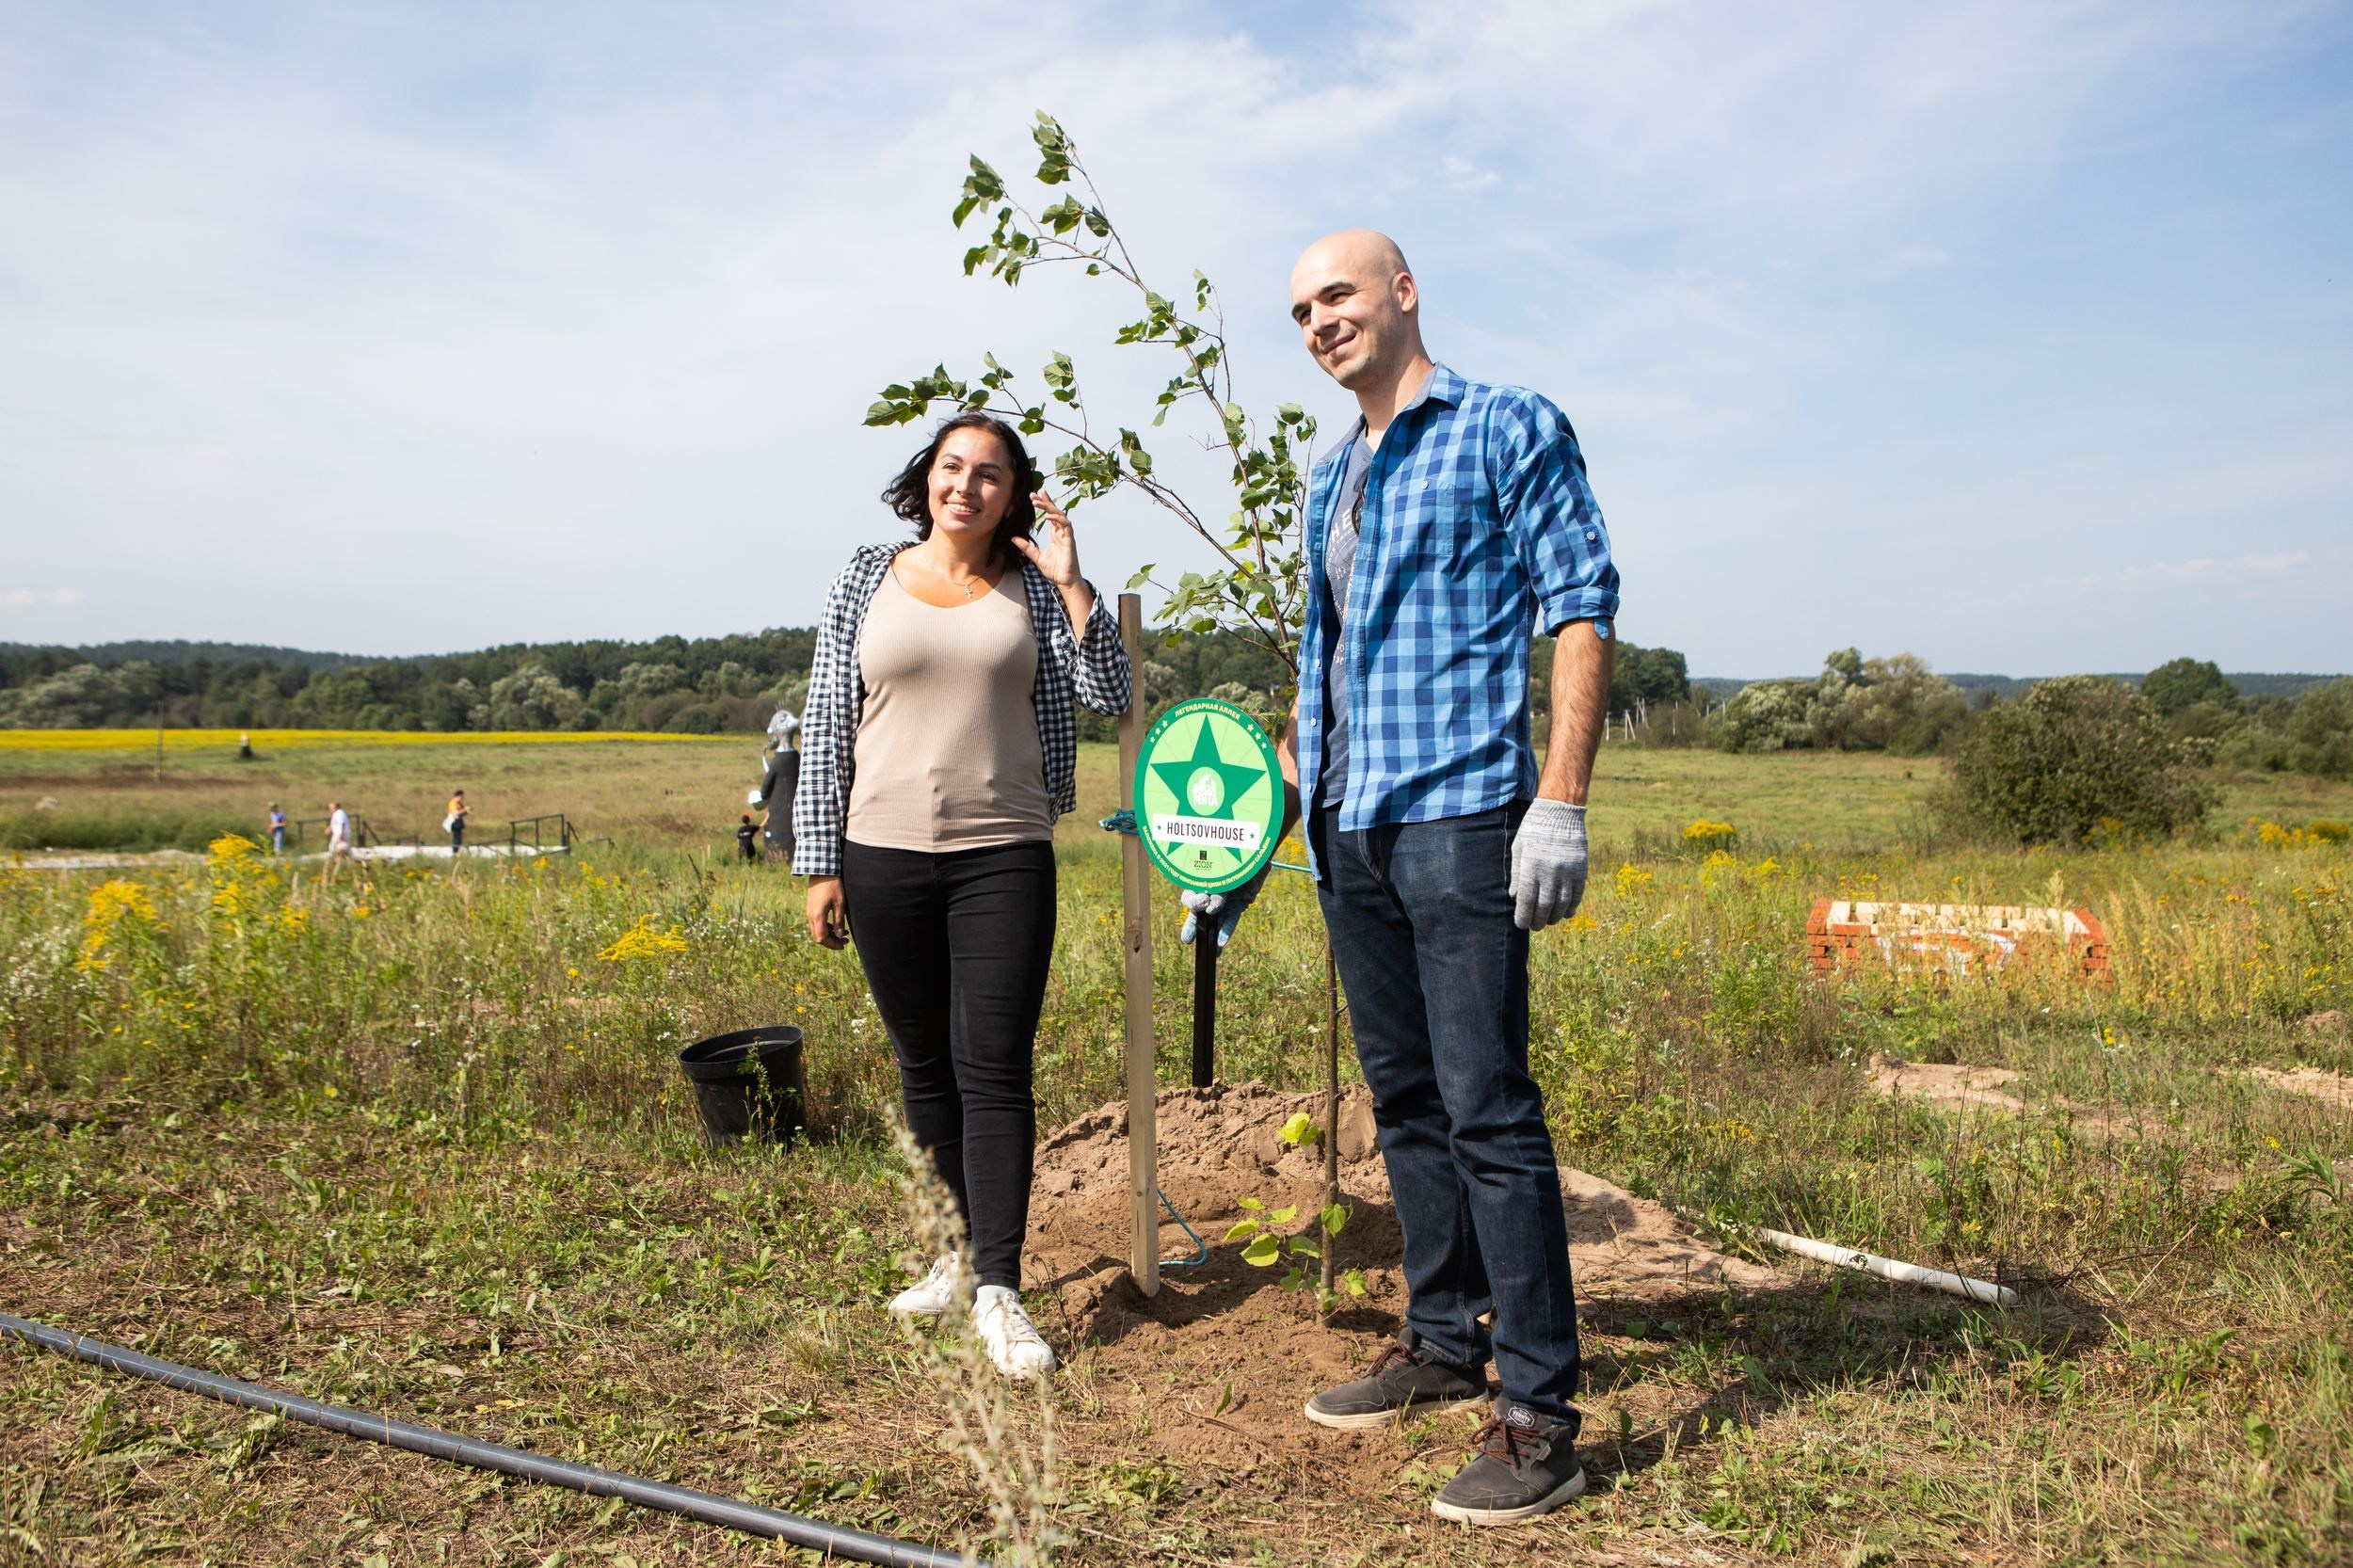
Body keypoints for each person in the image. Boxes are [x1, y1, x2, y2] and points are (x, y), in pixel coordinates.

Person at [1180, 231, 1619, 1525]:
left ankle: (1539, 1412)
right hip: (1347, 826)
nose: (1322, 320)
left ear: (1404, 291)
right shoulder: (1333, 474)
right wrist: (1265, 829)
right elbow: (1318, 671)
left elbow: (1581, 606)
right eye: (1302, 308)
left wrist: (1561, 799)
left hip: (1464, 814)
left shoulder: (1505, 425)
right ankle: (1443, 1337)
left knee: (1488, 1105)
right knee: (1407, 1098)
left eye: (1341, 294)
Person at [794, 412, 1131, 1379]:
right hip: (880, 851)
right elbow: (827, 719)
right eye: (952, 468)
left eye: (989, 474)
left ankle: (999, 1289)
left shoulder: (1032, 587)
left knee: (993, 1068)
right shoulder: (868, 573)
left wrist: (1072, 584)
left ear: (1014, 491)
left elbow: (1111, 691)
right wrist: (820, 861)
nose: (966, 487)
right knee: (923, 1065)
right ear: (926, 478)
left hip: (1001, 853)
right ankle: (951, 1255)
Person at [758, 711, 800, 863]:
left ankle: (775, 859)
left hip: (778, 818)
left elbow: (764, 791)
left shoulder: (778, 761)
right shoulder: (796, 757)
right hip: (795, 816)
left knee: (777, 841)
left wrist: (759, 797)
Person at [444, 790, 470, 856]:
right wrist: (465, 809)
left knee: (459, 838)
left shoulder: (459, 803)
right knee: (457, 838)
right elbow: (455, 812)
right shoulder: (453, 803)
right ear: (458, 796)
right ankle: (454, 852)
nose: (462, 798)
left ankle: (456, 851)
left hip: (459, 823)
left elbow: (461, 812)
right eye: (462, 796)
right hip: (454, 822)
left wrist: (466, 811)